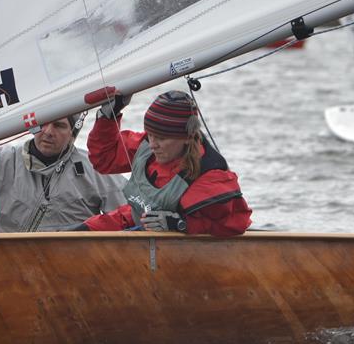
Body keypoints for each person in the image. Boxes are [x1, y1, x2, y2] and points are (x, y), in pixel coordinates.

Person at [75, 90, 252, 236]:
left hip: (178, 251)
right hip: (135, 220)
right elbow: (103, 159)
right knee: (80, 233)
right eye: (150, 134)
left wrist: (181, 225)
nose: (152, 144)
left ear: (187, 138)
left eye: (161, 138)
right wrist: (107, 115)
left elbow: (236, 223)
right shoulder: (146, 146)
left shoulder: (210, 177)